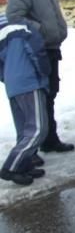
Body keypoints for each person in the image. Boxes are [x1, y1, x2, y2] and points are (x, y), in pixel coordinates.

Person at [6, 0, 74, 153]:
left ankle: (49, 139)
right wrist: (40, 30)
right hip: (36, 51)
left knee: (50, 95)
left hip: (52, 49)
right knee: (37, 100)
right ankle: (31, 148)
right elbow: (14, 16)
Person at [0, 14, 50, 186]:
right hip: (29, 81)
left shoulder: (3, 25)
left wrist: (6, 77)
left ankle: (24, 165)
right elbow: (37, 52)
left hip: (12, 84)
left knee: (23, 129)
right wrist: (45, 74)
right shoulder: (25, 26)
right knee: (38, 128)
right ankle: (11, 168)